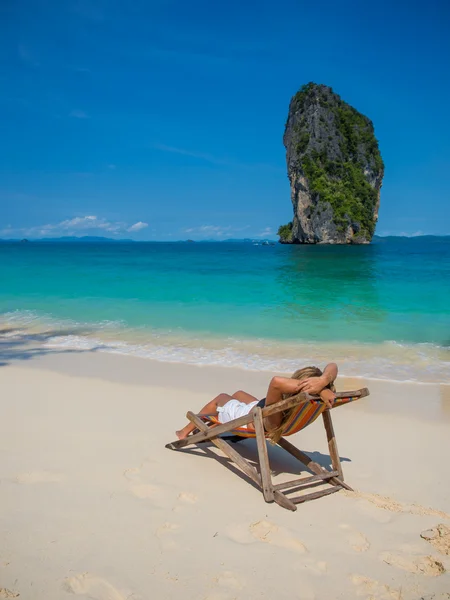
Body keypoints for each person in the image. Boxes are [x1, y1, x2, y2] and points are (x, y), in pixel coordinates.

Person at [176, 363, 338, 441]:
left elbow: (276, 382)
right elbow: (333, 365)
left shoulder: (275, 421)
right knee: (238, 393)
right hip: (259, 409)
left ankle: (184, 432)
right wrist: (323, 382)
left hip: (250, 419)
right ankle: (209, 427)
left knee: (221, 398)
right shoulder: (313, 399)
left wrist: (316, 387)